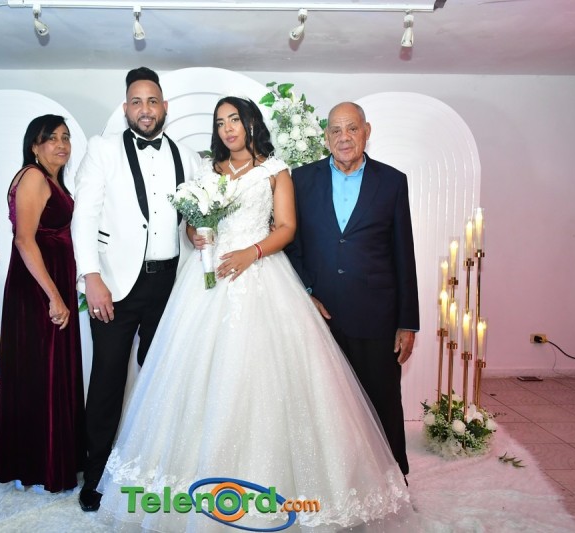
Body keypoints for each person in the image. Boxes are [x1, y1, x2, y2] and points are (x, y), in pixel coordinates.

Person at [94, 97, 411, 532]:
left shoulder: (275, 171)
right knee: (199, 381)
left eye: (235, 120)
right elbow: (192, 225)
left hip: (262, 276)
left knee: (269, 381)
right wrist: (196, 231)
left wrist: (252, 252)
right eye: (220, 122)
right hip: (207, 286)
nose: (228, 128)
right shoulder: (208, 172)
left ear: (250, 124)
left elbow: (287, 228)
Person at [71, 67, 202, 512]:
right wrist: (91, 277)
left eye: (152, 101)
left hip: (169, 284)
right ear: (125, 107)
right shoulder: (102, 149)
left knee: (162, 377)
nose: (145, 110)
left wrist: (198, 233)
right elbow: (84, 216)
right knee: (107, 379)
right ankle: (95, 474)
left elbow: (194, 220)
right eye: (136, 102)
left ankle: (155, 466)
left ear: (164, 107)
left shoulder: (188, 157)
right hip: (114, 285)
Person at [286, 101, 419, 478]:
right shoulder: (301, 179)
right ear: (325, 137)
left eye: (352, 128)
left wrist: (407, 322)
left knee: (382, 401)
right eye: (336, 130)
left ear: (367, 131)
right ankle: (332, 479)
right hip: (320, 315)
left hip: (376, 315)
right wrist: (305, 292)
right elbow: (291, 245)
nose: (344, 137)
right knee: (324, 405)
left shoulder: (392, 181)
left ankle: (393, 478)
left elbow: (403, 253)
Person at [0, 114, 85, 493]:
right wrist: (54, 296)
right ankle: (41, 464)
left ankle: (48, 458)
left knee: (46, 373)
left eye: (65, 137)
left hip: (49, 283)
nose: (61, 144)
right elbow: (24, 240)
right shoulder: (33, 176)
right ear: (34, 145)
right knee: (42, 373)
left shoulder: (51, 179)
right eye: (51, 138)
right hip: (38, 289)